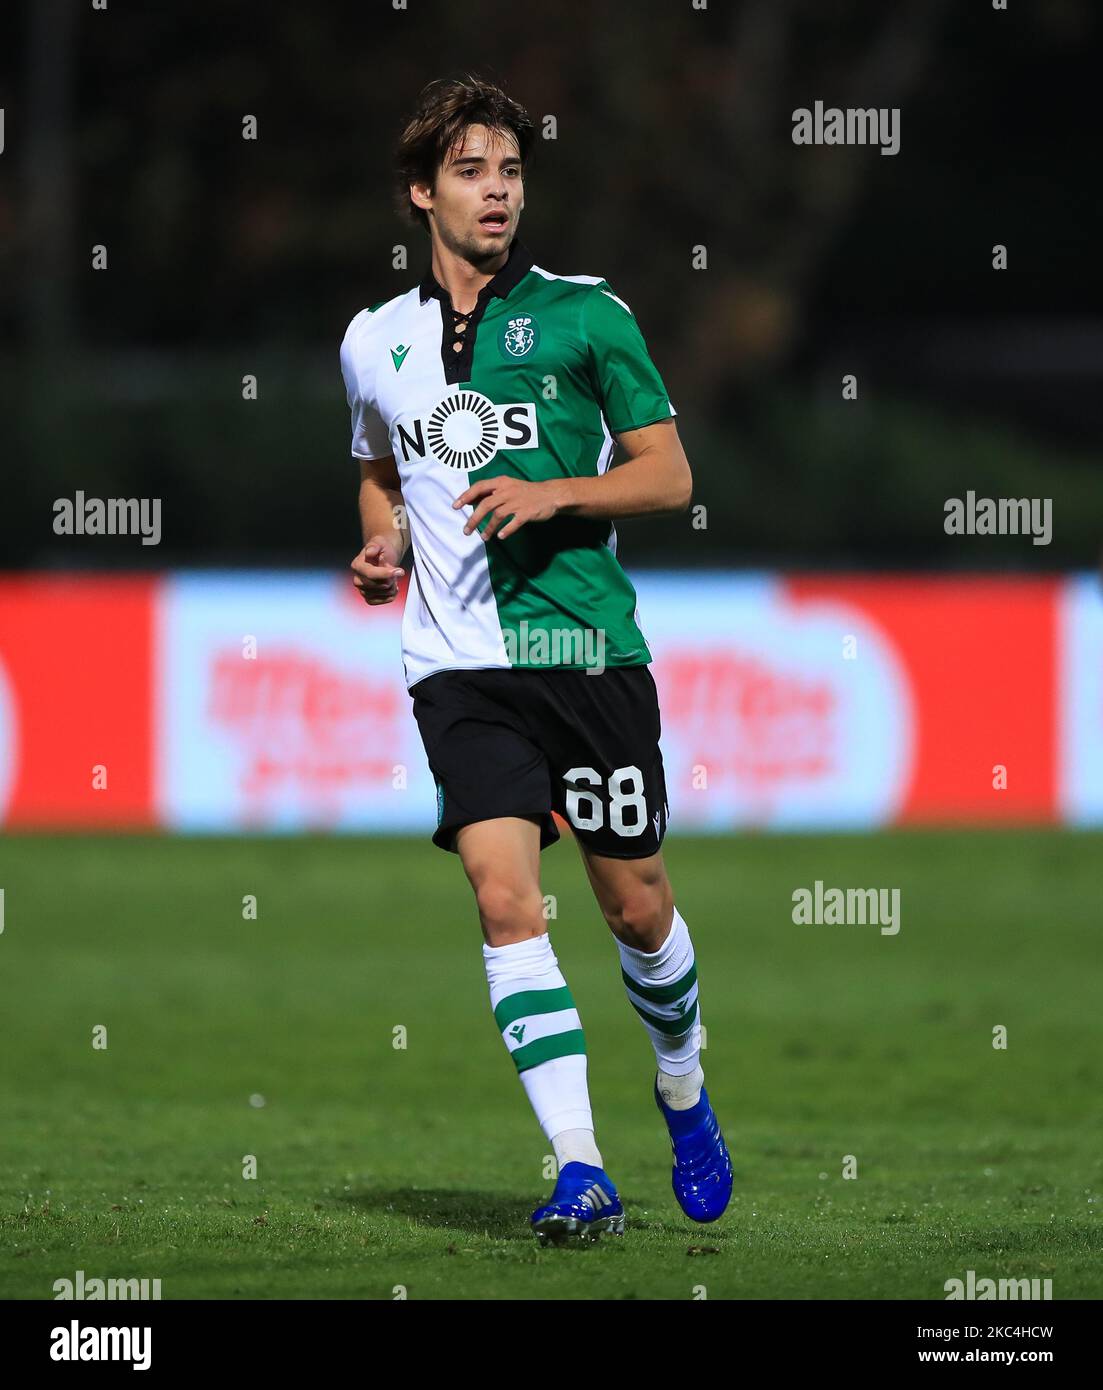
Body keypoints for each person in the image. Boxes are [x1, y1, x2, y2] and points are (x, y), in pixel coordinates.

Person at [341, 74, 731, 1244]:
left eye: (509, 170)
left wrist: (558, 489)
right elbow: (377, 468)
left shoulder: (585, 314)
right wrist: (380, 540)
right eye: (470, 171)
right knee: (505, 898)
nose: (497, 191)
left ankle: (682, 1085)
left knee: (636, 907)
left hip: (582, 646)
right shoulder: (374, 341)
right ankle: (579, 1167)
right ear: (422, 191)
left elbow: (668, 476)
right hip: (456, 666)